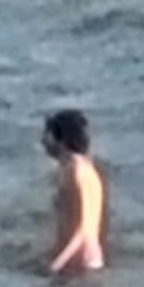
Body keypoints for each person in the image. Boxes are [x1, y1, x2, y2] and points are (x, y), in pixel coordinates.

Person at [43, 107, 107, 275]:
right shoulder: (72, 169)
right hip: (75, 262)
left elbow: (84, 229)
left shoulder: (80, 171)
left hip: (83, 265)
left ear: (61, 139)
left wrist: (56, 266)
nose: (43, 141)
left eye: (47, 135)